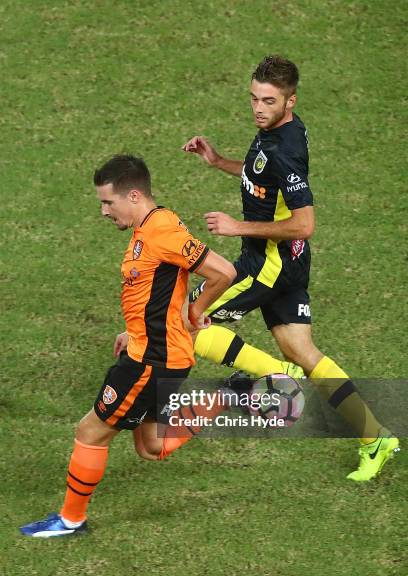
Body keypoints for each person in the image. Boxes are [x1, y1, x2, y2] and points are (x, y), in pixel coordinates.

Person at [182, 55, 399, 481]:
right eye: (253, 99)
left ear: (290, 100)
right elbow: (261, 177)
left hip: (268, 264)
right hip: (291, 262)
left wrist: (235, 226)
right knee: (304, 352)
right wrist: (220, 161)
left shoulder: (285, 150)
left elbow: (306, 223)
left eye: (268, 100)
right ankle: (376, 438)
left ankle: (276, 379)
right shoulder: (280, 129)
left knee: (185, 320)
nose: (258, 108)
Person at [20, 154, 236, 537]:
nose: (103, 211)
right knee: (151, 447)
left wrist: (195, 312)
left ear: (133, 195)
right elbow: (161, 288)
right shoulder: (150, 227)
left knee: (90, 432)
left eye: (108, 201)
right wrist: (135, 328)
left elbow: (224, 272)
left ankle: (71, 520)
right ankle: (231, 396)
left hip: (150, 361)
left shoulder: (162, 231)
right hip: (155, 353)